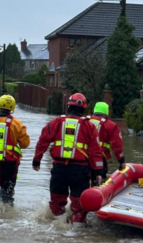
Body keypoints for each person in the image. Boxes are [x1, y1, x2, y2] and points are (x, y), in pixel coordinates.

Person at [32, 93, 103, 227]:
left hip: (60, 168)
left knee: (56, 201)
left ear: (68, 107)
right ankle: (77, 228)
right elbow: (95, 152)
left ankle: (60, 223)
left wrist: (37, 160)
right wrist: (99, 171)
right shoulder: (89, 126)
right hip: (80, 170)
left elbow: (43, 141)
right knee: (79, 203)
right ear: (84, 109)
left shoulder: (56, 122)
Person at [87, 102, 125, 184]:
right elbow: (117, 146)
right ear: (106, 112)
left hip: (82, 157)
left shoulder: (84, 121)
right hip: (100, 158)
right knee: (100, 181)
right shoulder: (110, 125)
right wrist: (121, 161)